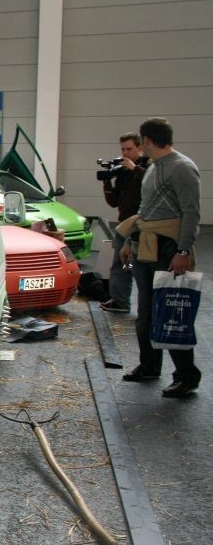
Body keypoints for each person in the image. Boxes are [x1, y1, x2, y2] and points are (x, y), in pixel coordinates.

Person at [118, 118, 202, 398]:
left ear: (147, 141)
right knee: (146, 314)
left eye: (141, 142)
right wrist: (130, 241)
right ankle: (149, 366)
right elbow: (145, 208)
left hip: (168, 248)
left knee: (172, 313)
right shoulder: (153, 167)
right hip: (145, 244)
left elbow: (191, 213)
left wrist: (182, 251)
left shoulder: (182, 168)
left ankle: (186, 376)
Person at [99, 132, 148, 313]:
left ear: (139, 147)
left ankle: (143, 306)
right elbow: (114, 202)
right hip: (124, 224)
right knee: (120, 264)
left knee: (138, 266)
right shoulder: (123, 171)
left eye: (129, 149)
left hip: (141, 223)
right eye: (123, 149)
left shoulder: (148, 166)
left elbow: (152, 184)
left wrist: (134, 168)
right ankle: (120, 301)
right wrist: (107, 182)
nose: (125, 153)